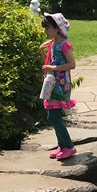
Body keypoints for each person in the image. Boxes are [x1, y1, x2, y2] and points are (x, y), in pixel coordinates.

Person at [40, 12, 77, 160]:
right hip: (52, 83)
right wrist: (41, 51)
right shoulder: (53, 43)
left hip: (61, 84)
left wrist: (52, 68)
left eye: (47, 28)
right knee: (52, 115)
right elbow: (48, 63)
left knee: (53, 116)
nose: (45, 31)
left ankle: (68, 146)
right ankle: (61, 145)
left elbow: (72, 64)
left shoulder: (64, 44)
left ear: (57, 28)